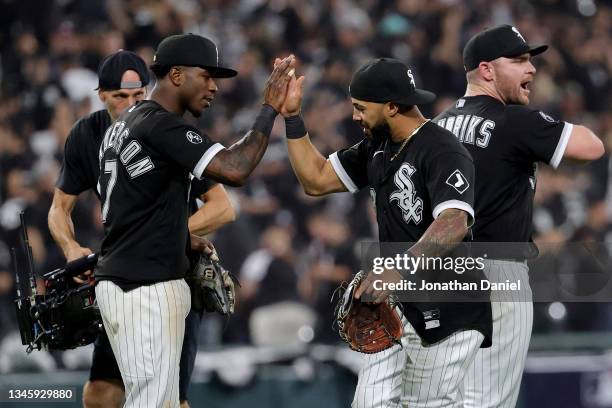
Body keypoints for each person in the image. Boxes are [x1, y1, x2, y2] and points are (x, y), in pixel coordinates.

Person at [278, 57, 492, 407]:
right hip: (398, 301)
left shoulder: (442, 148)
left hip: (451, 300)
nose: (354, 116)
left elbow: (454, 221)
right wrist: (291, 117)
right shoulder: (377, 148)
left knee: (428, 404)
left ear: (392, 106)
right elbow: (315, 179)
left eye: (361, 107)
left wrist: (398, 268)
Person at [95, 34, 294, 407]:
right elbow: (235, 169)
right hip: (144, 288)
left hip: (125, 281)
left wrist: (177, 237)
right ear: (176, 75)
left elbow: (135, 208)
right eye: (206, 75)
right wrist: (269, 110)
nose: (214, 87)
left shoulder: (124, 124)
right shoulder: (160, 125)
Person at [48, 50, 235, 408]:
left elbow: (223, 207)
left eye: (138, 95)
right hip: (121, 278)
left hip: (165, 275)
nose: (131, 103)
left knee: (170, 401)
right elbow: (59, 207)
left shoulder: (162, 126)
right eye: (120, 97)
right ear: (101, 95)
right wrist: (71, 249)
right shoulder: (87, 135)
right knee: (100, 396)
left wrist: (170, 232)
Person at [435, 24, 605, 408]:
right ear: (487, 70)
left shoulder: (435, 127)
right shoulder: (513, 120)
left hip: (436, 270)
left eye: (531, 61)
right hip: (496, 271)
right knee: (485, 400)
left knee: (441, 398)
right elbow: (591, 147)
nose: (531, 70)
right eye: (518, 61)